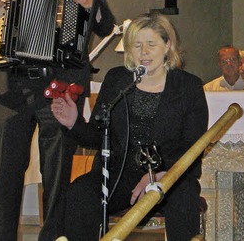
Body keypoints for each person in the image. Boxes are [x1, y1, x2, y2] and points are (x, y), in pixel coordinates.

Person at [0, 0, 115, 240]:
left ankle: (54, 238)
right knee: (5, 172)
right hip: (11, 88)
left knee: (57, 172)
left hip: (61, 85)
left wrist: (91, 4)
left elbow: (108, 25)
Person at [51, 12, 208, 240]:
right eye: (136, 45)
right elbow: (98, 137)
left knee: (184, 197)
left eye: (151, 44)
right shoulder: (117, 80)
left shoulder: (189, 86)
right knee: (81, 191)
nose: (143, 52)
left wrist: (158, 175)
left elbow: (192, 146)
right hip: (120, 175)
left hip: (170, 176)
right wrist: (74, 122)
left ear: (167, 46)